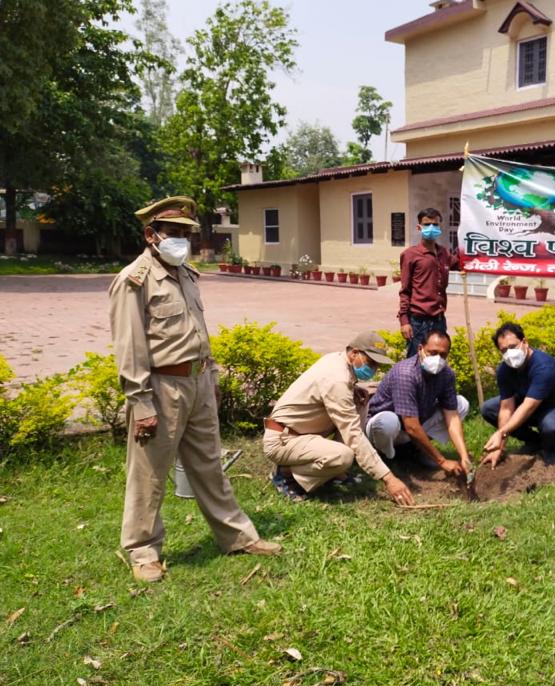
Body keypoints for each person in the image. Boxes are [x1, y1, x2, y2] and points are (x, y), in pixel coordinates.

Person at [108, 196, 280, 583]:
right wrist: (141, 402)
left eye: (187, 233)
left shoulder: (185, 273)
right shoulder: (134, 280)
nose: (182, 240)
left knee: (209, 465)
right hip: (160, 387)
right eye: (174, 233)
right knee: (149, 473)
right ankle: (142, 550)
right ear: (151, 235)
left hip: (198, 381)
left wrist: (212, 377)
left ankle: (236, 536)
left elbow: (198, 333)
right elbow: (130, 347)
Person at [263, 331, 414, 506]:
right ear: (354, 353)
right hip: (283, 440)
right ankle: (286, 473)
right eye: (371, 362)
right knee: (343, 456)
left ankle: (333, 472)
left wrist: (353, 390)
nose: (374, 369)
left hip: (299, 433)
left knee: (360, 401)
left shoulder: (337, 360)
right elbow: (353, 434)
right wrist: (388, 478)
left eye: (377, 365)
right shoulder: (336, 379)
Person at [365, 331, 471, 477]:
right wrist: (442, 461)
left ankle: (414, 449)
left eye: (443, 355)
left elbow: (452, 416)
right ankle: (384, 457)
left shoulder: (446, 374)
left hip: (411, 425)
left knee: (461, 404)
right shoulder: (405, 374)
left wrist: (464, 456)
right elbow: (411, 426)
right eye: (433, 353)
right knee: (388, 422)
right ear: (420, 349)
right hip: (381, 427)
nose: (437, 359)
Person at [480, 323, 555, 468]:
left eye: (512, 347)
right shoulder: (504, 370)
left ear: (525, 342)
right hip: (531, 405)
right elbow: (506, 407)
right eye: (504, 350)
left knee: (550, 426)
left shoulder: (543, 366)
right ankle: (535, 441)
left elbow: (529, 406)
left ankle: (550, 451)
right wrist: (499, 447)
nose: (509, 353)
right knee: (489, 409)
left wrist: (501, 432)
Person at [398, 208, 460, 357]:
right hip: (418, 321)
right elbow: (405, 290)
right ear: (419, 227)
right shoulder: (410, 255)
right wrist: (404, 321)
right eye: (427, 225)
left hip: (439, 320)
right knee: (416, 362)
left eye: (435, 224)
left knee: (438, 361)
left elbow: (459, 263)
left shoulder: (444, 253)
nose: (431, 228)